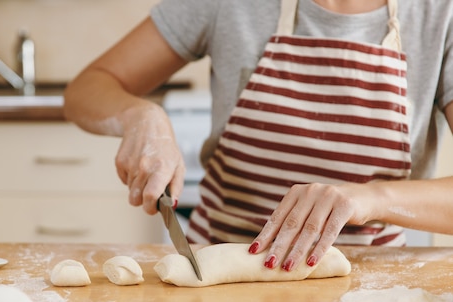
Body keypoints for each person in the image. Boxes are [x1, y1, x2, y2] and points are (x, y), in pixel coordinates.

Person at [63, 0, 453, 272]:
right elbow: (86, 89)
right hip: (212, 271)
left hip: (369, 286)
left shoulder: (441, 15)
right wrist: (139, 115)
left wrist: (372, 196)